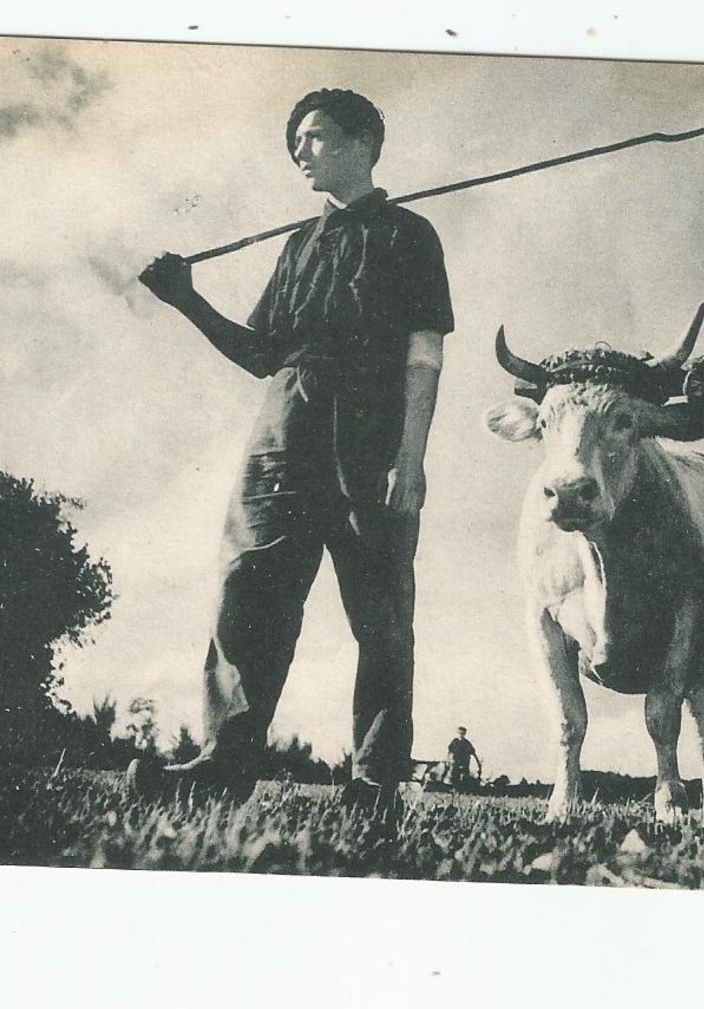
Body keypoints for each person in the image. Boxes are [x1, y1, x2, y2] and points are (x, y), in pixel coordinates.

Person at [128, 88, 453, 812]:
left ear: (364, 142)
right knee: (249, 594)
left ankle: (374, 782)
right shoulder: (297, 245)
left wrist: (411, 454)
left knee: (380, 615)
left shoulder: (409, 235)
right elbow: (260, 353)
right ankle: (221, 767)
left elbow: (424, 356)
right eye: (295, 142)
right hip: (282, 439)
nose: (300, 151)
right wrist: (187, 300)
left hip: (371, 441)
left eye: (314, 137)